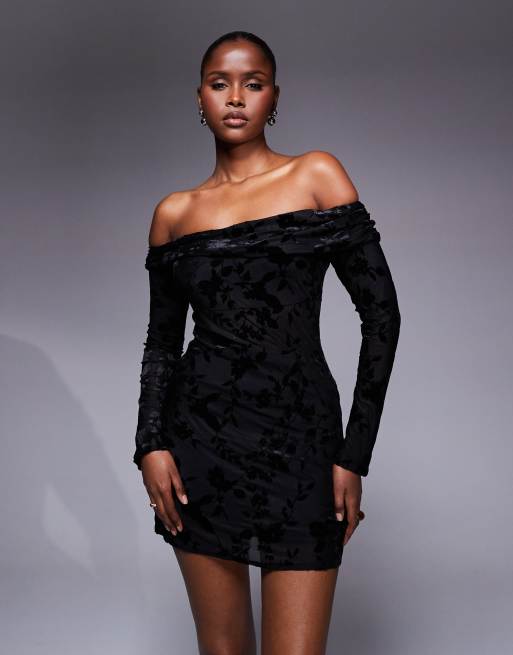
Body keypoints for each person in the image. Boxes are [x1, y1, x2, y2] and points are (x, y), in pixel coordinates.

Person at [133, 30, 401, 655]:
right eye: (220, 84)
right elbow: (162, 344)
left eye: (252, 84)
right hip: (199, 447)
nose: (235, 98)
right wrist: (150, 445)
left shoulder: (315, 175)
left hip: (302, 444)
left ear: (273, 98)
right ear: (200, 98)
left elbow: (383, 316)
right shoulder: (174, 213)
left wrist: (354, 455)